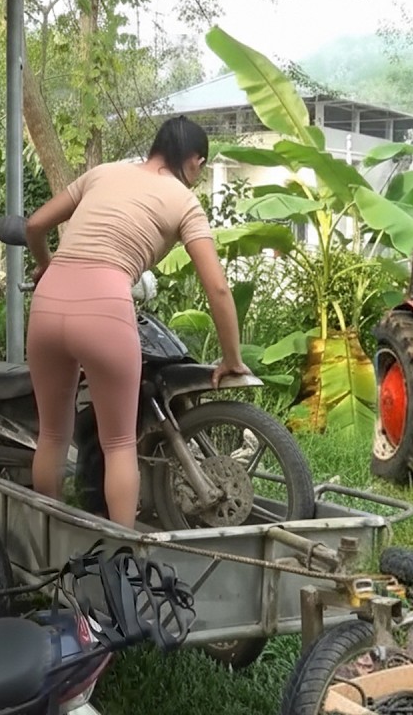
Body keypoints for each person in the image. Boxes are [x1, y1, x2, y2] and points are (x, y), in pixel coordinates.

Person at [21, 115, 251, 529]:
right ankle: (123, 554)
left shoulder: (104, 173)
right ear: (195, 162)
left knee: (53, 435)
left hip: (48, 302)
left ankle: (46, 542)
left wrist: (45, 265)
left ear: (156, 148)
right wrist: (232, 357)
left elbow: (35, 224)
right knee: (120, 444)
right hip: (104, 305)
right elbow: (217, 289)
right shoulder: (182, 201)